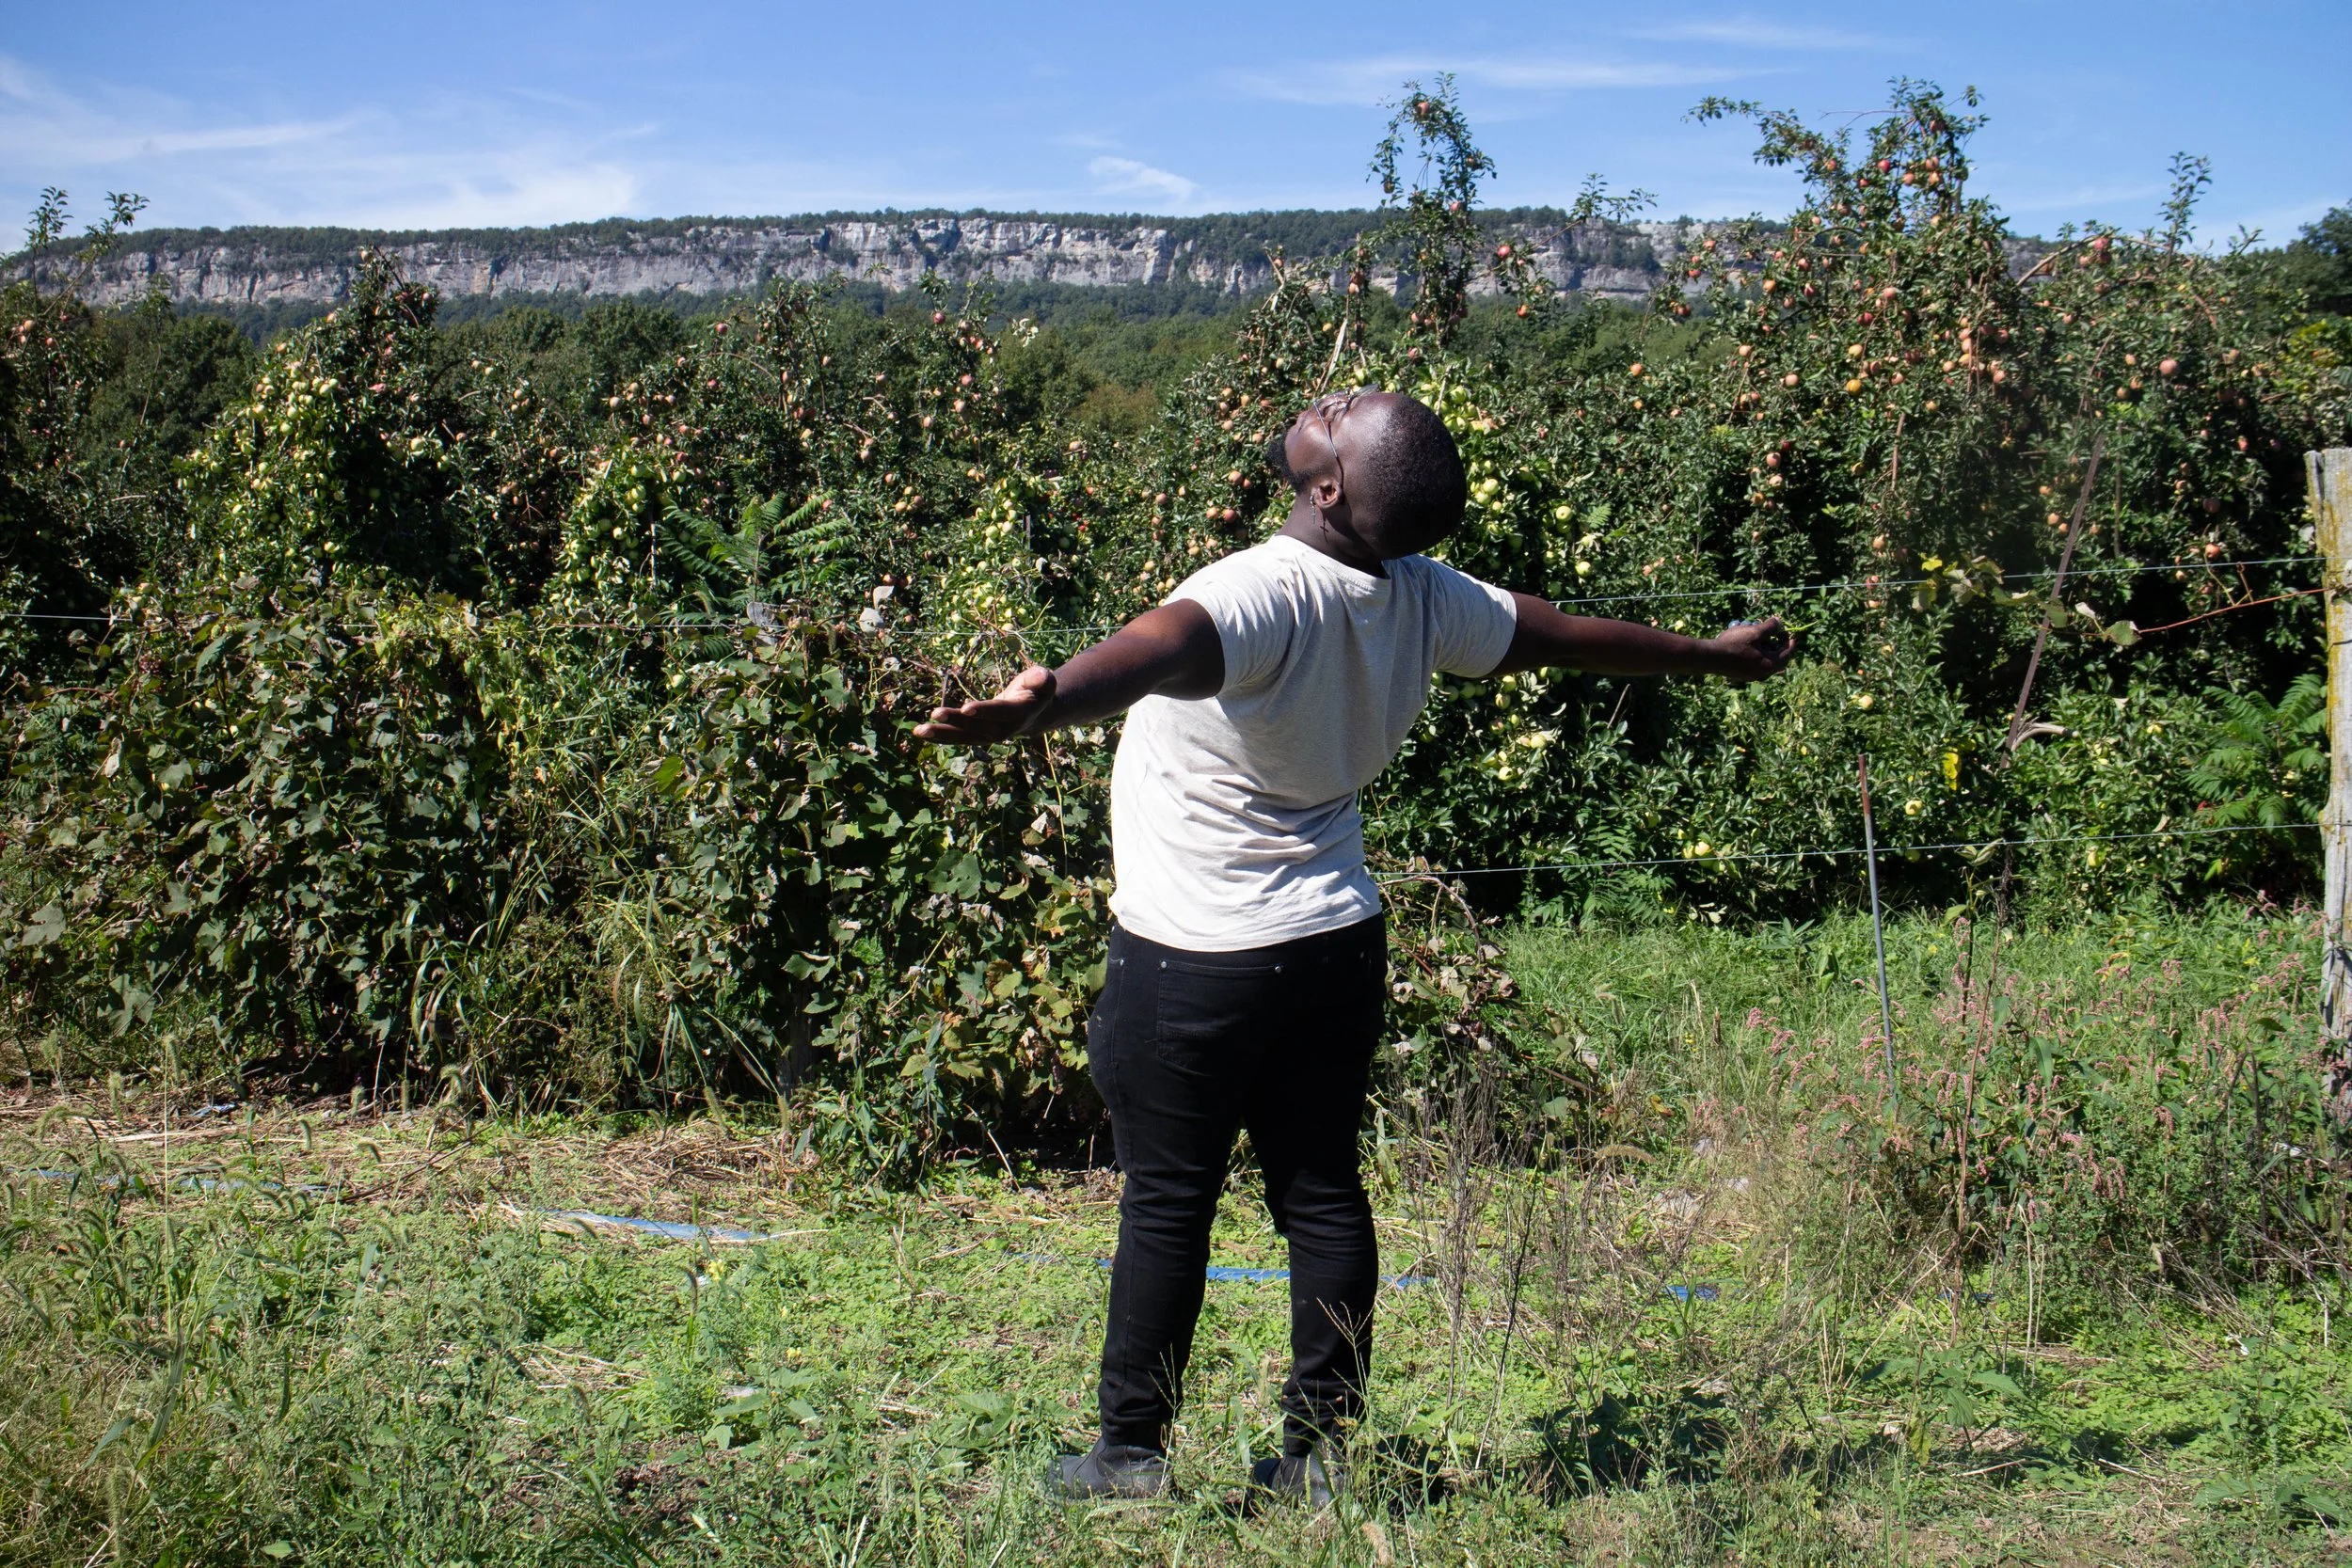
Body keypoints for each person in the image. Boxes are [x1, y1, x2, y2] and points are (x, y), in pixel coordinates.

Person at [914, 388, 1791, 1504]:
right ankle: (1321, 1458)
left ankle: (1129, 1453)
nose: (1324, 405)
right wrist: (1710, 658)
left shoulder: (1256, 589)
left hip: (1194, 953)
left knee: (1168, 1201)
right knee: (1323, 1192)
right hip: (1333, 937)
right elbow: (1567, 636)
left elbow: (1154, 649)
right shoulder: (1427, 596)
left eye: (1338, 419)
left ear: (1326, 488)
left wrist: (1047, 700)